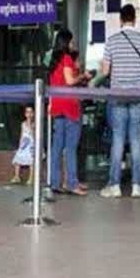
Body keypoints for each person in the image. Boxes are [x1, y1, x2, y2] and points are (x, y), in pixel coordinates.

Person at [100, 4, 140, 199]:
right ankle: (137, 186)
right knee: (136, 139)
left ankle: (114, 185)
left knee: (117, 140)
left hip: (117, 96)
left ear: (120, 19)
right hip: (138, 95)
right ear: (135, 19)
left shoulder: (111, 41)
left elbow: (105, 72)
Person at [48, 29, 91, 196]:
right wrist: (82, 76)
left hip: (57, 105)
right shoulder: (66, 58)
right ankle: (72, 183)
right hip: (70, 106)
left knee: (57, 146)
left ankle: (56, 182)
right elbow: (69, 81)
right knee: (71, 146)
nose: (74, 45)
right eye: (72, 42)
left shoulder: (54, 60)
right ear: (66, 43)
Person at [11, 106, 36, 185]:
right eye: (27, 112)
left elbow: (34, 134)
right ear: (25, 114)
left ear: (33, 114)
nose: (29, 114)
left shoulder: (34, 124)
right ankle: (16, 176)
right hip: (24, 144)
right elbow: (22, 135)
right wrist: (20, 145)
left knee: (31, 160)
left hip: (31, 143)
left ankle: (31, 178)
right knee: (17, 158)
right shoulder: (23, 124)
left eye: (30, 112)